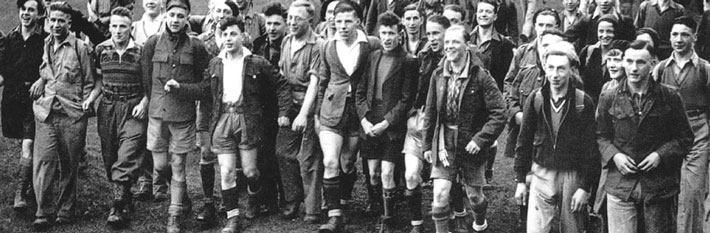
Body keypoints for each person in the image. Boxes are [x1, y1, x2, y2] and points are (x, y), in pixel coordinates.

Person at [168, 15, 291, 233]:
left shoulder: (256, 62)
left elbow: (281, 85)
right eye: (224, 34)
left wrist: (284, 112)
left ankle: (254, 197)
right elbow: (205, 89)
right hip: (223, 119)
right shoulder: (216, 63)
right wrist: (180, 87)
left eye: (233, 34)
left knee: (251, 171)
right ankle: (233, 218)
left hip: (247, 120)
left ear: (243, 36)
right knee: (226, 172)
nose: (228, 38)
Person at [596, 40, 693, 233]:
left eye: (640, 62)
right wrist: (615, 156)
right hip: (621, 185)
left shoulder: (670, 97)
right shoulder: (609, 97)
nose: (633, 68)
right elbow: (601, 136)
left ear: (652, 64)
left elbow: (685, 138)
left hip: (659, 186)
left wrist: (660, 155)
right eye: (629, 61)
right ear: (623, 62)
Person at [422, 24, 506, 233]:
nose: (449, 47)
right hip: (445, 142)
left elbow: (499, 112)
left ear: (467, 45)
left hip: (471, 143)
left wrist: (480, 139)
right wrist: (426, 145)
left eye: (455, 42)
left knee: (475, 197)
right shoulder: (438, 74)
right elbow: (431, 112)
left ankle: (479, 223)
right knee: (440, 194)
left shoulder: (481, 76)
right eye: (447, 42)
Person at [514, 41, 598, 233]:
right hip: (542, 171)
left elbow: (590, 148)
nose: (555, 74)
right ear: (544, 67)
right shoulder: (536, 98)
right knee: (536, 229)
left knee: (572, 228)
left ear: (571, 70)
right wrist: (520, 181)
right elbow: (524, 141)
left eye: (561, 69)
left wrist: (584, 187)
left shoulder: (583, 102)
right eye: (550, 67)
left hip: (572, 174)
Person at [140, 0, 210, 231]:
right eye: (172, 14)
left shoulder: (197, 47)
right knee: (160, 166)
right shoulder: (151, 43)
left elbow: (205, 85)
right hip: (158, 116)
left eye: (181, 15)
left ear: (187, 17)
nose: (175, 20)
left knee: (178, 164)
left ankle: (174, 215)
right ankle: (183, 197)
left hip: (183, 117)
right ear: (165, 15)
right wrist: (156, 103)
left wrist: (181, 89)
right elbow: (146, 80)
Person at [29, 2, 96, 230]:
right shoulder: (45, 43)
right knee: (44, 162)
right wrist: (42, 79)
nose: (57, 25)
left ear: (69, 23)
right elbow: (46, 68)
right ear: (47, 20)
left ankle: (66, 210)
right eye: (53, 20)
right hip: (46, 113)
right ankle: (43, 210)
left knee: (69, 165)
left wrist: (84, 107)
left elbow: (90, 81)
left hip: (72, 115)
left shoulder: (81, 49)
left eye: (61, 21)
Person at [315, 1, 381, 232]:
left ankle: (343, 198)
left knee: (347, 161)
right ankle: (335, 217)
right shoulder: (326, 46)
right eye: (338, 21)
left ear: (358, 22)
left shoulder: (370, 44)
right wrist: (316, 114)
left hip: (358, 110)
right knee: (330, 161)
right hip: (331, 110)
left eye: (347, 21)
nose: (342, 26)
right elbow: (323, 81)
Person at [356, 11, 418, 233]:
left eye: (391, 33)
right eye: (383, 33)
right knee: (372, 172)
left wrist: (387, 123)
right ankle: (377, 205)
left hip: (391, 127)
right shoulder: (373, 57)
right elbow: (360, 92)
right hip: (370, 124)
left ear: (400, 34)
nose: (387, 38)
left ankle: (388, 218)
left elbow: (406, 99)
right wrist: (364, 120)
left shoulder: (409, 61)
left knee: (386, 172)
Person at [503, 9, 564, 227]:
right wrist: (516, 113)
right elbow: (509, 84)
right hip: (524, 125)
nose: (544, 30)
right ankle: (524, 217)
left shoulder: (563, 57)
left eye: (550, 25)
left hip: (551, 128)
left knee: (550, 176)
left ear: (558, 26)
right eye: (540, 25)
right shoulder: (522, 53)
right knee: (524, 171)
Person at [652, 16, 710, 233]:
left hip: (698, 130)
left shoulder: (704, 69)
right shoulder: (659, 69)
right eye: (675, 34)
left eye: (685, 34)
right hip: (670, 133)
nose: (679, 39)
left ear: (694, 37)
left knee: (694, 191)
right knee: (668, 188)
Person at [92, 7, 148, 228]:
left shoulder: (141, 52)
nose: (117, 30)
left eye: (122, 26)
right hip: (107, 107)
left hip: (133, 107)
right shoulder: (100, 50)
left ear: (130, 27)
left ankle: (116, 206)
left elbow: (150, 84)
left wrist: (144, 102)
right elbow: (98, 79)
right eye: (114, 26)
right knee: (109, 156)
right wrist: (91, 98)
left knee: (127, 155)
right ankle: (125, 197)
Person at [276, 0, 325, 224]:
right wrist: (285, 108)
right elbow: (281, 76)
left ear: (310, 20)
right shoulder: (286, 40)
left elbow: (315, 83)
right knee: (283, 152)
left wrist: (304, 114)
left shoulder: (318, 45)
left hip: (311, 105)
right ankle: (293, 199)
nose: (292, 22)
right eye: (290, 18)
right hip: (289, 102)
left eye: (298, 18)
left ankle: (313, 208)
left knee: (309, 158)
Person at [403, 14, 451, 233]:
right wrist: (412, 111)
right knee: (411, 174)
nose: (432, 38)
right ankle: (416, 224)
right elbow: (411, 89)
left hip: (446, 129)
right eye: (429, 33)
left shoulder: (457, 60)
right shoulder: (422, 58)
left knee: (445, 184)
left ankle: (452, 218)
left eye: (436, 34)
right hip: (420, 124)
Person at [193, 0, 239, 227]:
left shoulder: (242, 40)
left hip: (231, 107)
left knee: (228, 155)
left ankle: (229, 199)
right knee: (206, 152)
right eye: (218, 10)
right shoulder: (202, 42)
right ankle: (208, 202)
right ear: (210, 13)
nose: (221, 15)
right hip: (208, 105)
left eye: (227, 11)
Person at [1, 0, 47, 213]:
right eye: (23, 10)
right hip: (12, 98)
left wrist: (42, 80)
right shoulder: (10, 39)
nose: (26, 14)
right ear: (18, 12)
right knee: (22, 140)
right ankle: (29, 179)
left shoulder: (44, 41)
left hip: (33, 99)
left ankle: (21, 193)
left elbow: (51, 66)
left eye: (31, 10)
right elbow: (3, 71)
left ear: (38, 14)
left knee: (28, 144)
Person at [469, 0, 515, 184]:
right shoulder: (468, 39)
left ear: (495, 16)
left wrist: (502, 96)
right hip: (470, 95)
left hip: (491, 97)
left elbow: (507, 74)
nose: (483, 15)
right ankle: (473, 174)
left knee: (490, 137)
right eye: (480, 11)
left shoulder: (504, 44)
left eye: (488, 12)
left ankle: (488, 168)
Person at [251, 2, 288, 216]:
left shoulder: (289, 45)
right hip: (261, 107)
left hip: (283, 106)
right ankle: (268, 200)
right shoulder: (257, 45)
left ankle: (287, 197)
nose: (272, 28)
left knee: (281, 154)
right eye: (269, 23)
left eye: (277, 23)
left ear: (285, 25)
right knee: (264, 155)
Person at [131, 0, 164, 203]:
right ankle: (144, 179)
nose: (151, 1)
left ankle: (161, 181)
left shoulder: (169, 24)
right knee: (141, 134)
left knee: (160, 136)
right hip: (138, 88)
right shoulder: (134, 27)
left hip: (161, 88)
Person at [578, 15, 621, 102]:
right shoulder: (588, 51)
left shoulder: (620, 54)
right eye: (601, 31)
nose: (604, 35)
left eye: (609, 31)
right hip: (588, 103)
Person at [565, 0, 635, 51]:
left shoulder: (625, 21)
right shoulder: (586, 21)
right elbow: (567, 37)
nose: (604, 1)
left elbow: (633, 44)